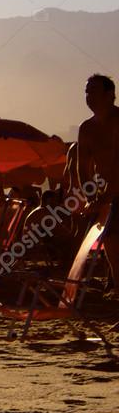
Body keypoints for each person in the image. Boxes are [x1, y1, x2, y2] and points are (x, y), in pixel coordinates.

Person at [77, 74, 119, 289]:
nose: (89, 97)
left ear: (110, 94)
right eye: (87, 92)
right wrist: (90, 196)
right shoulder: (86, 128)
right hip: (106, 198)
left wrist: (108, 194)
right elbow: (82, 168)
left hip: (113, 194)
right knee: (113, 251)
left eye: (93, 91)